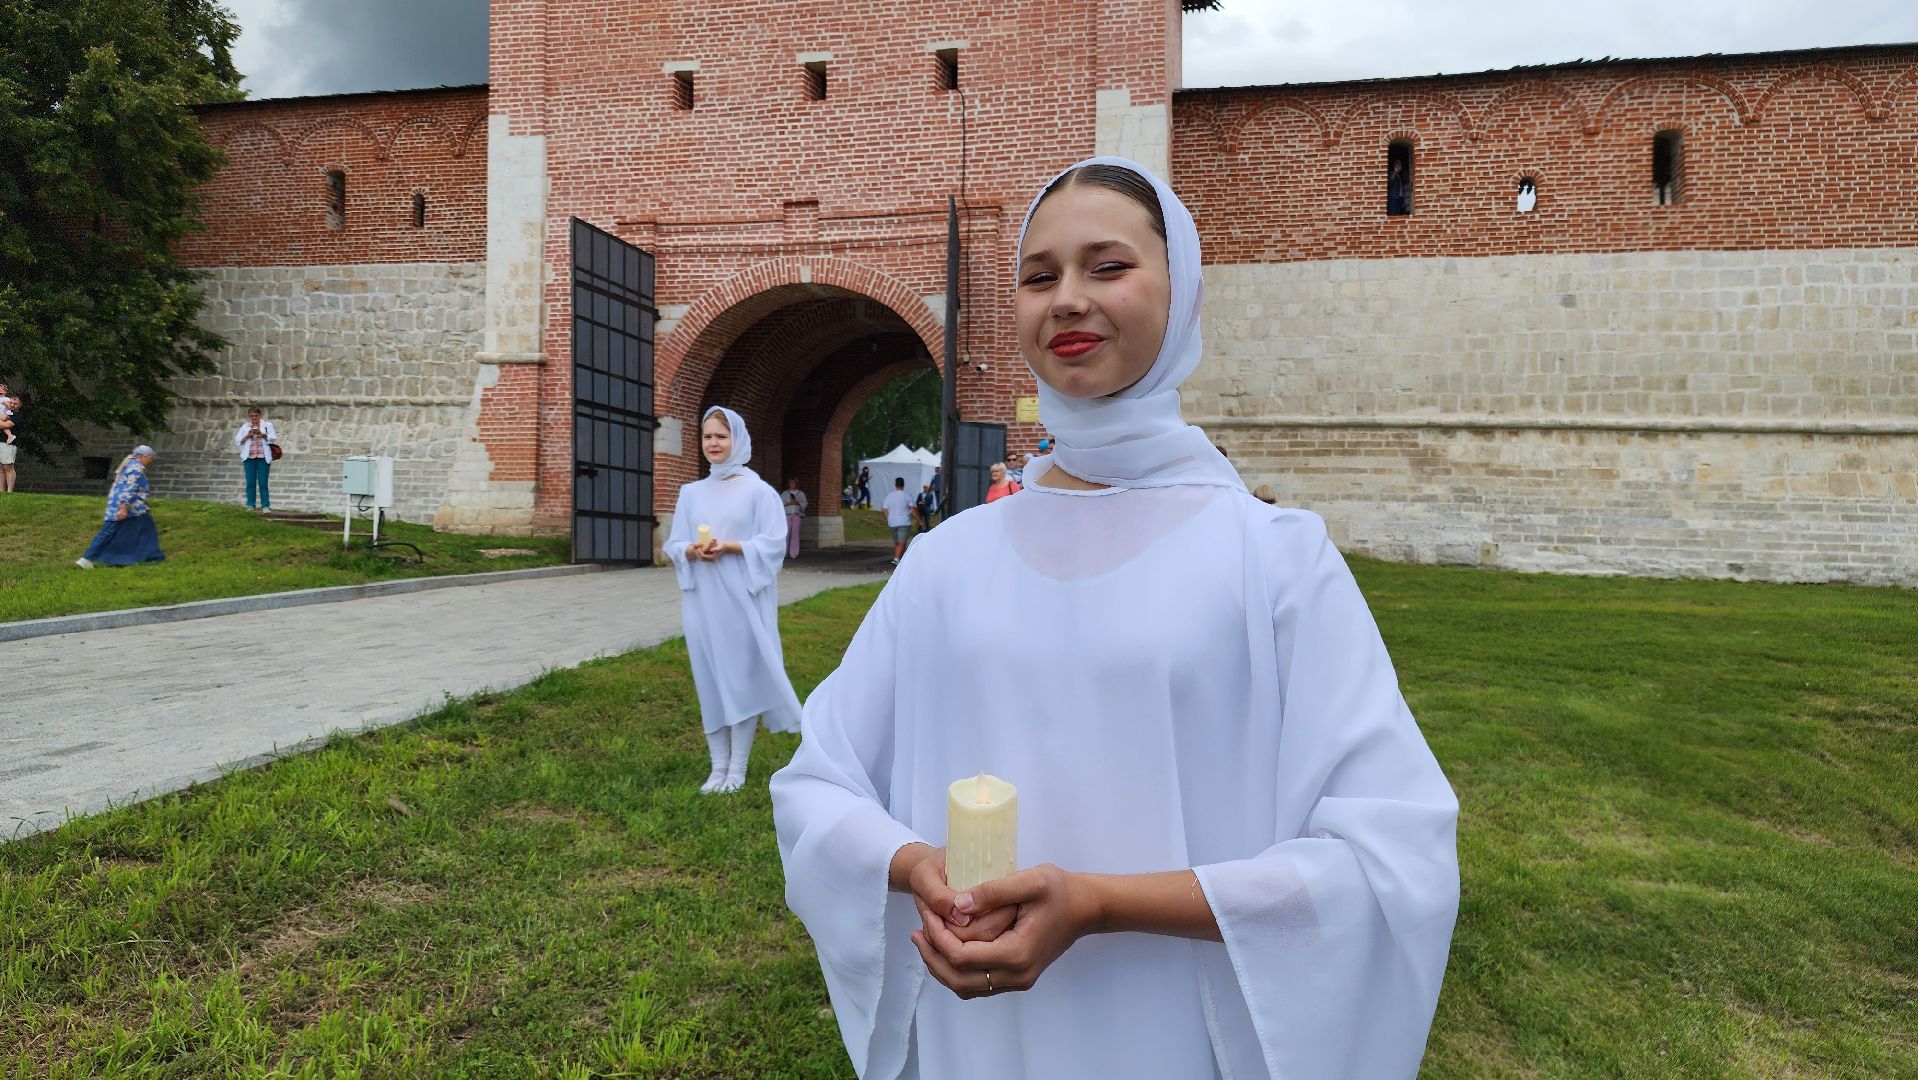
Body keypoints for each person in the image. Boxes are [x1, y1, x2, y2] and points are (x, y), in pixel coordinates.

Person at [772, 158, 1458, 1079]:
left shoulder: (1273, 558)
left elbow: (1391, 853)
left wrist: (1098, 902)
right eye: (1039, 275)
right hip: (979, 1033)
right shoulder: (947, 562)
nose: (1067, 301)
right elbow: (818, 784)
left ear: (1182, 296)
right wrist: (910, 864)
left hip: (1173, 1024)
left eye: (1108, 267)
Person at [661, 407, 803, 794]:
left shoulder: (758, 491)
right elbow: (672, 543)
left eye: (720, 437)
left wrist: (731, 546)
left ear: (737, 440)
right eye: (707, 437)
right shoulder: (690, 493)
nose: (713, 444)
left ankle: (737, 768)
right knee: (708, 679)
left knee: (739, 679)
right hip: (702, 603)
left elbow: (774, 543)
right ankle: (716, 766)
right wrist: (692, 550)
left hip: (741, 603)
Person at [76, 445, 166, 569]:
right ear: (142, 456)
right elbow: (130, 488)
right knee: (110, 531)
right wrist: (123, 507)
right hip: (130, 508)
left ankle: (128, 558)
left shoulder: (127, 466)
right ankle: (88, 558)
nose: (150, 460)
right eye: (150, 457)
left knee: (134, 530)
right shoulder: (136, 469)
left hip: (125, 506)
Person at [233, 407, 276, 512]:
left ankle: (265, 505)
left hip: (263, 457)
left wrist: (262, 435)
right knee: (250, 483)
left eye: (256, 415)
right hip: (249, 457)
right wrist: (248, 435)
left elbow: (273, 437)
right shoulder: (245, 426)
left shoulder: (267, 425)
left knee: (263, 483)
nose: (254, 418)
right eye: (252, 416)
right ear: (249, 417)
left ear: (260, 415)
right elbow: (237, 440)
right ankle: (250, 504)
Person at [881, 476, 913, 566]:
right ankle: (896, 559)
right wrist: (919, 520)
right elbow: (912, 508)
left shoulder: (890, 496)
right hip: (904, 522)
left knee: (898, 543)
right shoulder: (906, 495)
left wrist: (888, 518)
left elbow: (884, 509)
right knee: (901, 543)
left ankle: (900, 559)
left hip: (892, 523)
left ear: (895, 485)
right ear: (903, 485)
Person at [782, 476, 809, 558]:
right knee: (786, 534)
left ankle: (794, 553)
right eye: (790, 483)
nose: (792, 484)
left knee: (795, 534)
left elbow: (804, 504)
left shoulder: (801, 494)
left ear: (796, 484)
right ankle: (784, 552)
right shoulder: (785, 493)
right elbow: (779, 504)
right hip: (787, 515)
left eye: (793, 483)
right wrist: (788, 503)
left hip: (797, 515)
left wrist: (797, 502)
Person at [0, 382, 18, 493]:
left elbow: (8, 406)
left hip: (3, 417)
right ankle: (1, 491)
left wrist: (6, 408)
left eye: (2, 389)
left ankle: (10, 491)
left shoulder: (5, 399)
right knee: (1, 468)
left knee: (8, 467)